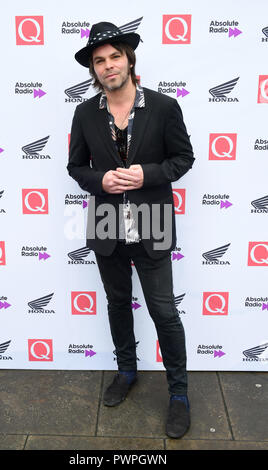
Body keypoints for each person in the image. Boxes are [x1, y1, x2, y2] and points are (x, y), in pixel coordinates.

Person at [67, 21, 194, 439]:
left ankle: (179, 394)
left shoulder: (163, 107)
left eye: (114, 56)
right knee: (118, 303)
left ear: (129, 59)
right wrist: (98, 181)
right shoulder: (84, 113)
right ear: (94, 70)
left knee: (163, 311)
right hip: (106, 226)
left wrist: (149, 174)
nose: (108, 66)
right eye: (99, 61)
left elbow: (183, 157)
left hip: (152, 223)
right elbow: (76, 167)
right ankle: (126, 370)